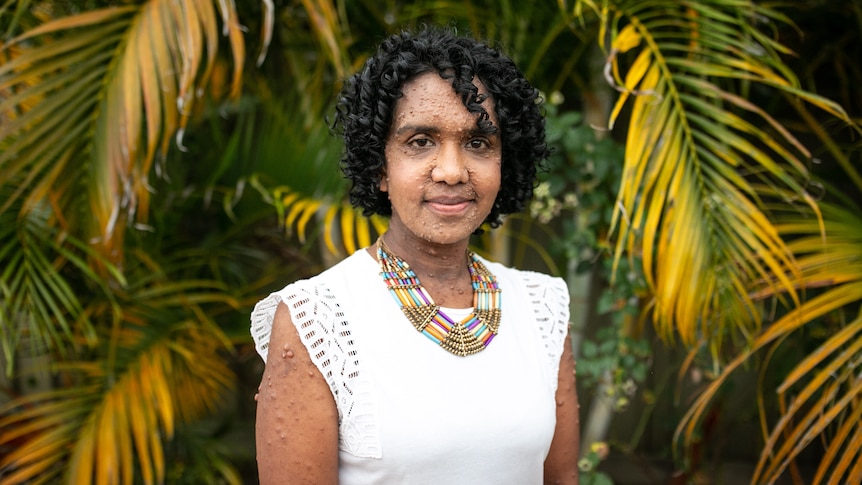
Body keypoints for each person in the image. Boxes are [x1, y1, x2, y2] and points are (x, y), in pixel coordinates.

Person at [250, 26, 580, 485]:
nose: (450, 171)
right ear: (380, 165)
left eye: (478, 143)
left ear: (506, 161)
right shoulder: (319, 319)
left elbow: (560, 478)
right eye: (420, 142)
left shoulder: (542, 307)